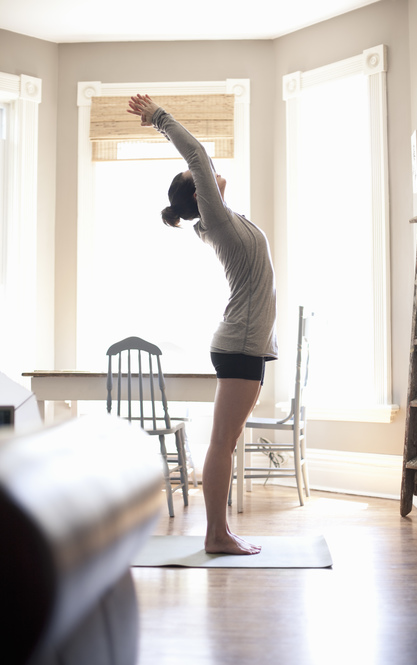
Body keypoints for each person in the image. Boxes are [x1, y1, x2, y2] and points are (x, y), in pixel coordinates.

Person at [128, 94, 278, 555]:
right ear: (199, 194)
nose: (210, 175)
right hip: (239, 346)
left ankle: (219, 533)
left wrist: (212, 185)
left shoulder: (221, 219)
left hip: (245, 344)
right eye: (201, 179)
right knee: (222, 443)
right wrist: (158, 118)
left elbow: (212, 173)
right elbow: (198, 153)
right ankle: (216, 535)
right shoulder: (214, 218)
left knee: (225, 442)